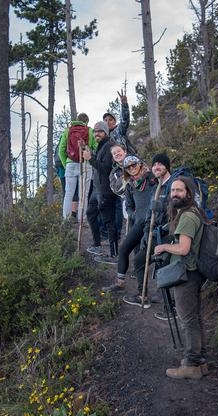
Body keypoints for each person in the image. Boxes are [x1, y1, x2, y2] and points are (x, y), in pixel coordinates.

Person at [154, 177, 208, 379]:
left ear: (188, 193)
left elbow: (184, 248)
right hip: (193, 271)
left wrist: (163, 247)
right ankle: (200, 361)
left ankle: (191, 364)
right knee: (194, 317)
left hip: (186, 272)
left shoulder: (187, 217)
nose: (175, 194)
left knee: (187, 319)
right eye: (172, 190)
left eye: (179, 190)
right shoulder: (192, 213)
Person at [102, 155, 156, 294]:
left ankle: (144, 293)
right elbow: (129, 206)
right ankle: (120, 283)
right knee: (124, 249)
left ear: (140, 164)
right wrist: (133, 215)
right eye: (128, 167)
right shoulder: (130, 185)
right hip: (139, 223)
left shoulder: (151, 179)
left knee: (141, 258)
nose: (132, 168)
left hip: (153, 223)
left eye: (134, 165)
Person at [129, 153, 172, 308]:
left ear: (167, 166)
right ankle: (143, 295)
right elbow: (149, 214)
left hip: (171, 235)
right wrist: (147, 233)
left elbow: (180, 208)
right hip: (155, 234)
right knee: (139, 260)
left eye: (160, 164)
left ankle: (171, 306)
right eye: (154, 165)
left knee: (166, 266)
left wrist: (163, 207)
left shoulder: (173, 184)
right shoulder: (156, 187)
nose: (156, 167)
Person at [85, 121, 119, 261]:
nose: (96, 133)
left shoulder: (110, 146)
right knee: (90, 213)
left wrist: (90, 159)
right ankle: (97, 245)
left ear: (105, 132)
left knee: (109, 222)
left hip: (106, 191)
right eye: (95, 131)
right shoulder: (101, 146)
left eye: (99, 131)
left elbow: (106, 169)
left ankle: (114, 254)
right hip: (97, 190)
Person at [57, 113, 96, 219]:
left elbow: (61, 150)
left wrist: (67, 164)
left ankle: (66, 219)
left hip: (70, 164)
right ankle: (82, 219)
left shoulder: (68, 130)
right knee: (84, 193)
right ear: (86, 121)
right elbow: (95, 147)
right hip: (85, 164)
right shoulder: (90, 131)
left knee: (68, 193)